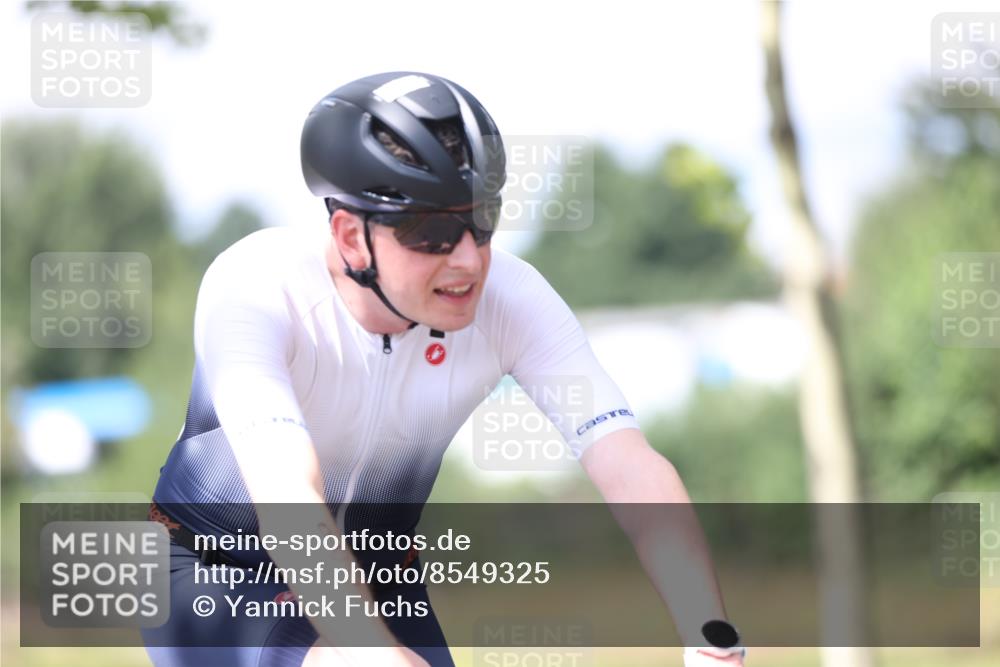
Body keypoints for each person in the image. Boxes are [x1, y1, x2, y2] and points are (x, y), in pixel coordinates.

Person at [141, 71, 747, 667]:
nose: (467, 259)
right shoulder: (255, 286)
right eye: (432, 231)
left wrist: (711, 636)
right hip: (212, 570)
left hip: (379, 573)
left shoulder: (511, 299)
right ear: (352, 237)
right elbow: (287, 494)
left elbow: (629, 467)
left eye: (483, 220)